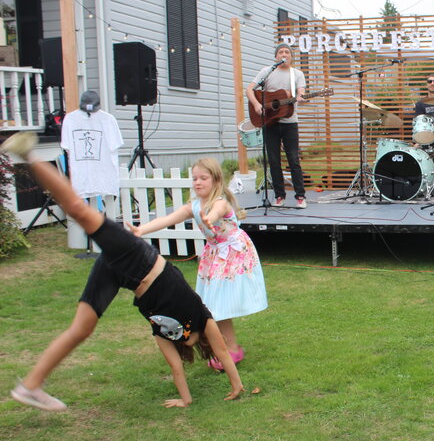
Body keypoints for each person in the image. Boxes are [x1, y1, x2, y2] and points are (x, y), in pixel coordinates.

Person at [2, 131, 244, 410]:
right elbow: (224, 352)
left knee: (82, 328)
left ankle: (31, 385)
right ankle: (28, 155)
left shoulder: (164, 332)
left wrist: (186, 400)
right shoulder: (202, 318)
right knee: (79, 211)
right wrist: (237, 386)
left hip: (121, 273)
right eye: (196, 178)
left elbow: (181, 367)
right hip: (136, 257)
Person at [129, 157, 268, 369]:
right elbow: (168, 219)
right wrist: (141, 230)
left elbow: (214, 214)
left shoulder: (220, 202)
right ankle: (226, 348)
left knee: (219, 306)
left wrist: (208, 220)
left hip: (232, 254)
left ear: (216, 180)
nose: (198, 182)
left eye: (203, 178)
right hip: (215, 255)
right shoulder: (193, 206)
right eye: (194, 178)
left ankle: (230, 350)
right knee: (213, 306)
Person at [246, 43, 307, 209]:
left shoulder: (297, 74)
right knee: (273, 160)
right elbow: (249, 89)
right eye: (281, 52)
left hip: (290, 122)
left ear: (291, 56)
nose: (284, 54)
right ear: (276, 57)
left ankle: (300, 196)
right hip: (269, 122)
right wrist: (257, 105)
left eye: (287, 52)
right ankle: (279, 196)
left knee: (293, 160)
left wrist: (301, 96)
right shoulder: (267, 72)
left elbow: (301, 91)